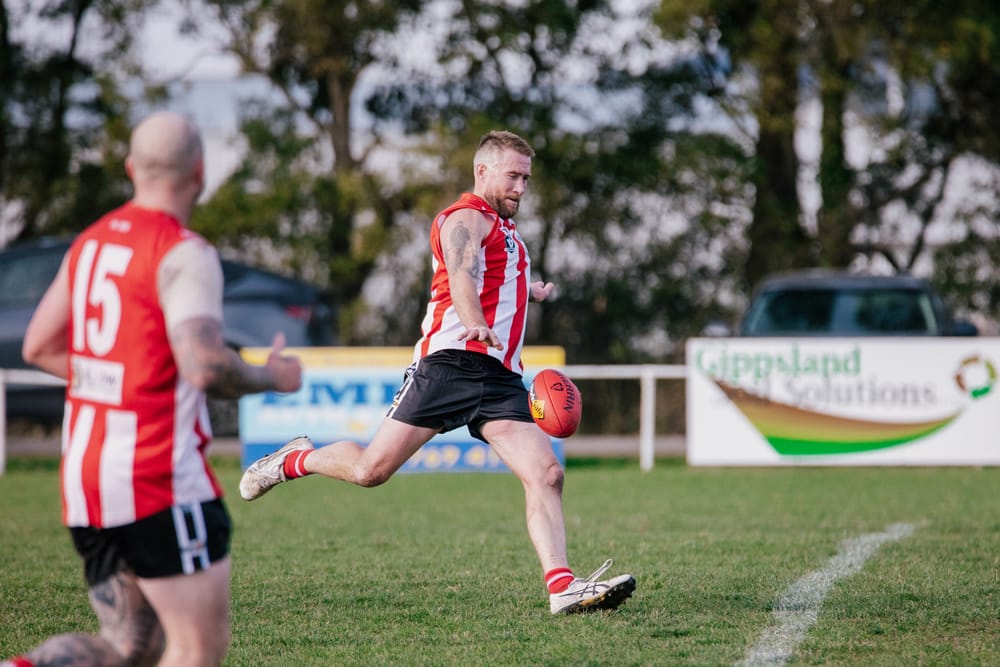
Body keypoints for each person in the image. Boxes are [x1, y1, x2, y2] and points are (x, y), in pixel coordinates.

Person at [239, 130, 636, 615]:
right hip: (448, 365)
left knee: (547, 473)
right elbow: (462, 272)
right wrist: (474, 321)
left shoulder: (508, 234)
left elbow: (490, 274)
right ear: (482, 171)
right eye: (513, 176)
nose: (521, 187)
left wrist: (524, 289)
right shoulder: (464, 218)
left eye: (527, 178)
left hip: (500, 379)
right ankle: (294, 460)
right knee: (370, 471)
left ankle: (561, 587)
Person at [4, 111, 303, 667]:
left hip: (85, 474)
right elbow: (206, 367)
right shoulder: (183, 251)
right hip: (156, 477)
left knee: (133, 646)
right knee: (194, 649)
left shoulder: (90, 243)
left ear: (130, 168)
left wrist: (118, 382)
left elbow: (39, 347)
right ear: (200, 171)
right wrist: (274, 376)